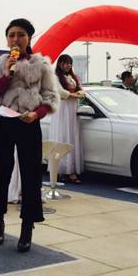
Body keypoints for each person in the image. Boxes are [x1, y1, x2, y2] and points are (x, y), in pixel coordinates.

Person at [0, 18, 59, 252]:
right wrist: (7, 74)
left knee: (30, 174)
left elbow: (50, 97)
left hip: (28, 123)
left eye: (21, 35)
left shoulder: (42, 65)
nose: (16, 39)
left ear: (29, 38)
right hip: (4, 122)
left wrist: (36, 114)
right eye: (11, 35)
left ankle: (27, 227)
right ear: (7, 39)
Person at [49, 54, 85, 184]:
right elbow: (59, 92)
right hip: (62, 110)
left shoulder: (72, 77)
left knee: (72, 137)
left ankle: (71, 170)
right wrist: (74, 95)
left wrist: (79, 93)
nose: (67, 65)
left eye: (69, 63)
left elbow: (81, 90)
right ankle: (60, 170)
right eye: (65, 63)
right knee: (62, 136)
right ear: (59, 64)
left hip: (72, 109)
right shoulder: (55, 77)